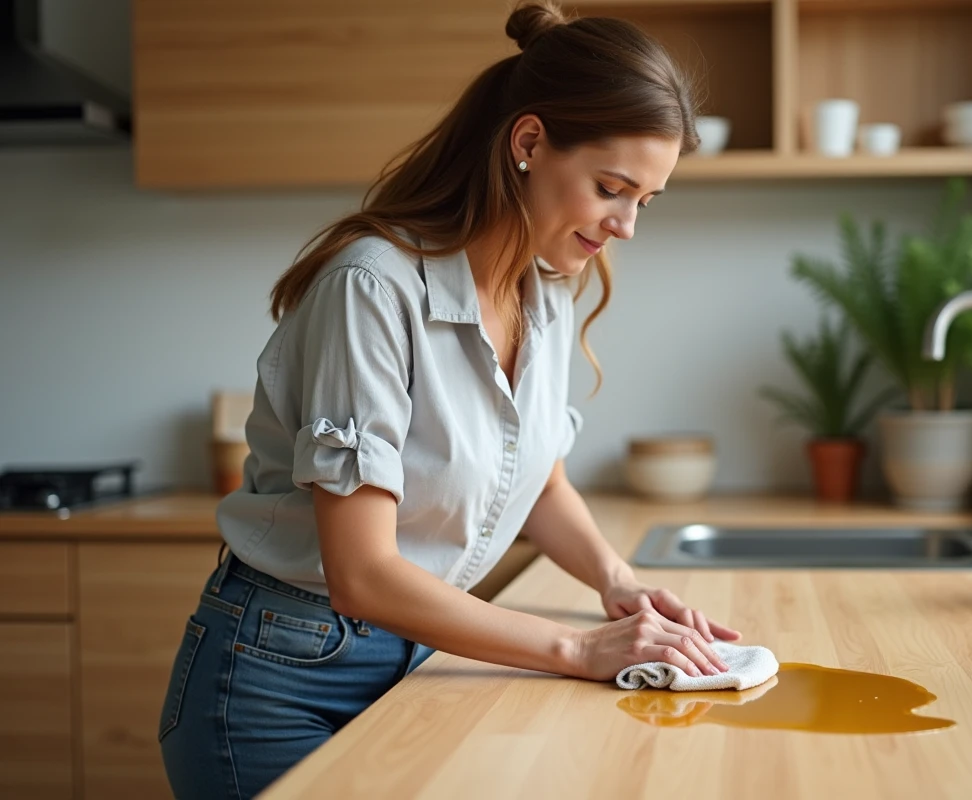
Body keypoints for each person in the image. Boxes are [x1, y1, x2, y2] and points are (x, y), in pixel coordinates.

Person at [158, 1, 742, 796]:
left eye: (646, 200)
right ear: (529, 143)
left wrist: (618, 582)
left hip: (416, 661)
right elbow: (361, 573)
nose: (628, 225)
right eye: (613, 188)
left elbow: (535, 478)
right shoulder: (370, 288)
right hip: (280, 681)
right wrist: (576, 650)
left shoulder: (544, 290)